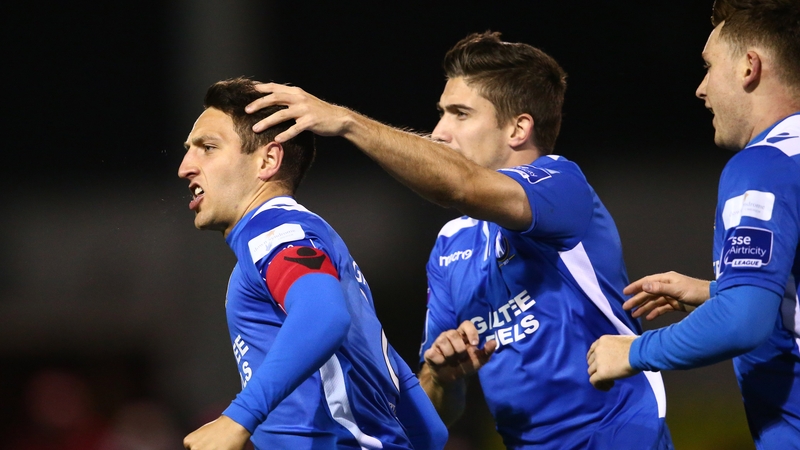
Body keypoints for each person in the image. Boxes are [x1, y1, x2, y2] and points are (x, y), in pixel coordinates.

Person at [245, 32, 673, 449]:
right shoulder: (452, 243)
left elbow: (459, 186)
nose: (439, 131)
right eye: (442, 113)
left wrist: (347, 122)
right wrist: (442, 374)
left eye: (460, 114)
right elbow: (437, 409)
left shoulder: (562, 184)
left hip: (620, 435)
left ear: (518, 128)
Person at [178, 77, 447, 450]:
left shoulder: (276, 231)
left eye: (207, 147)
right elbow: (430, 430)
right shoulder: (312, 247)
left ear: (269, 160)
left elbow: (323, 316)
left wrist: (237, 418)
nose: (185, 167)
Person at [586, 0, 800, 447]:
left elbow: (743, 322)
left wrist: (633, 352)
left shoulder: (766, 164)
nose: (701, 89)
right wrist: (714, 291)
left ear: (749, 66)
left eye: (708, 66)